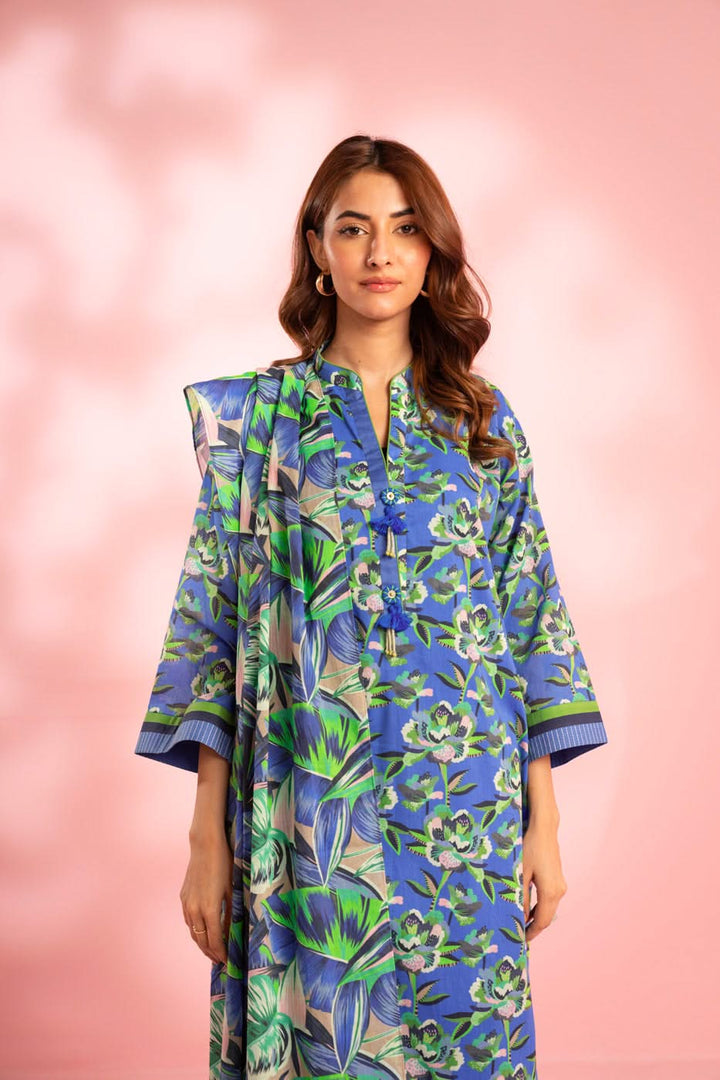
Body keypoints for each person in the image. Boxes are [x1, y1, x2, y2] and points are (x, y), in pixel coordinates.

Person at [135, 133, 608, 1080]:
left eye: (404, 230)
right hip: (313, 797)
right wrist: (205, 836)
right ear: (318, 249)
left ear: (433, 253)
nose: (380, 253)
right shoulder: (262, 422)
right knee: (333, 1041)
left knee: (467, 1038)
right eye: (353, 229)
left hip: (464, 800)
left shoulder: (482, 422)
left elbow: (528, 619)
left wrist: (544, 827)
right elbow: (215, 623)